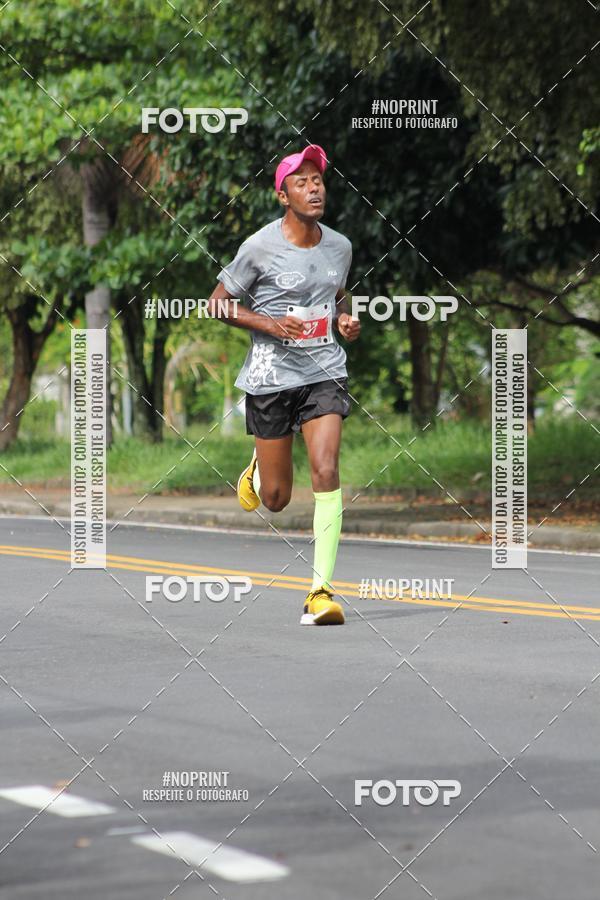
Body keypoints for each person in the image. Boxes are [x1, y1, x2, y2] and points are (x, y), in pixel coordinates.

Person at [208, 144, 360, 625]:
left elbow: (339, 294)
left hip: (324, 372)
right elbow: (217, 303)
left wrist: (346, 318)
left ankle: (320, 593)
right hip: (271, 378)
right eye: (302, 182)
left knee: (327, 468)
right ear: (283, 195)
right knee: (275, 499)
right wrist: (270, 325)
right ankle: (257, 468)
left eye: (318, 181)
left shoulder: (340, 246)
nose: (314, 189)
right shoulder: (258, 247)